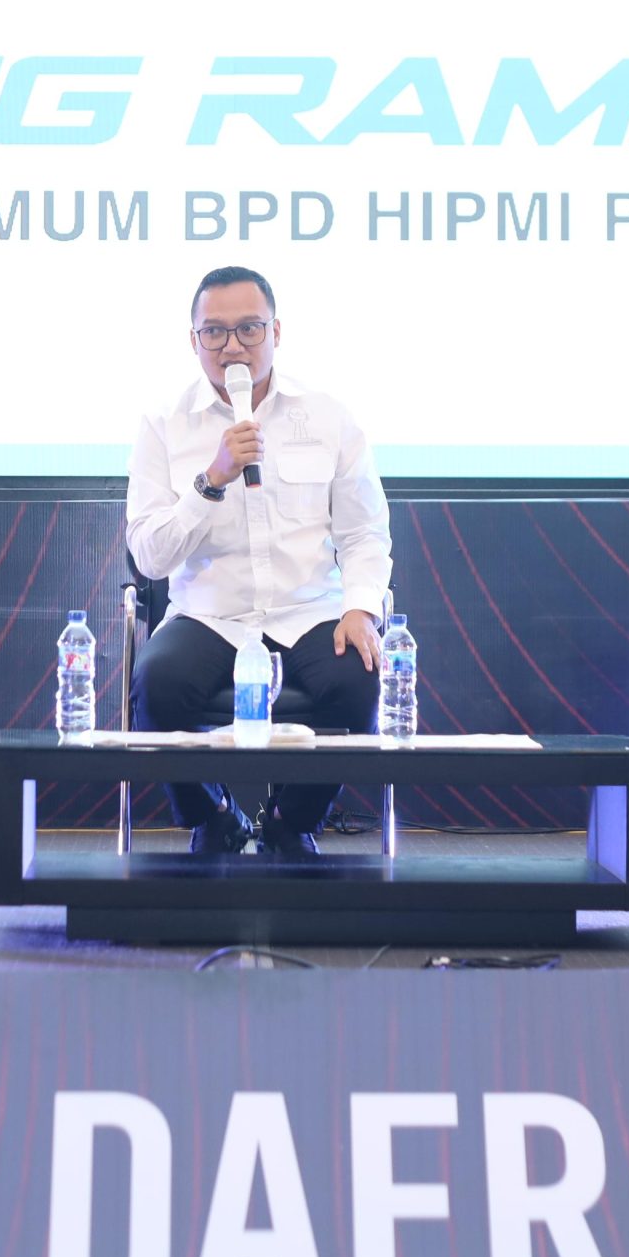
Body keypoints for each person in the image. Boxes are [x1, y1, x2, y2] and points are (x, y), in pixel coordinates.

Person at [126, 266, 392, 857]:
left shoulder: (328, 415)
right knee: (157, 685)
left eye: (249, 329)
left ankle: (289, 822)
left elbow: (365, 532)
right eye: (214, 332)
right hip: (209, 613)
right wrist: (211, 479)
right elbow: (149, 555)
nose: (233, 347)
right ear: (193, 340)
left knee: (358, 682)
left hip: (308, 609)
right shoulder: (164, 423)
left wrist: (360, 608)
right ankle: (214, 816)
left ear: (276, 331)